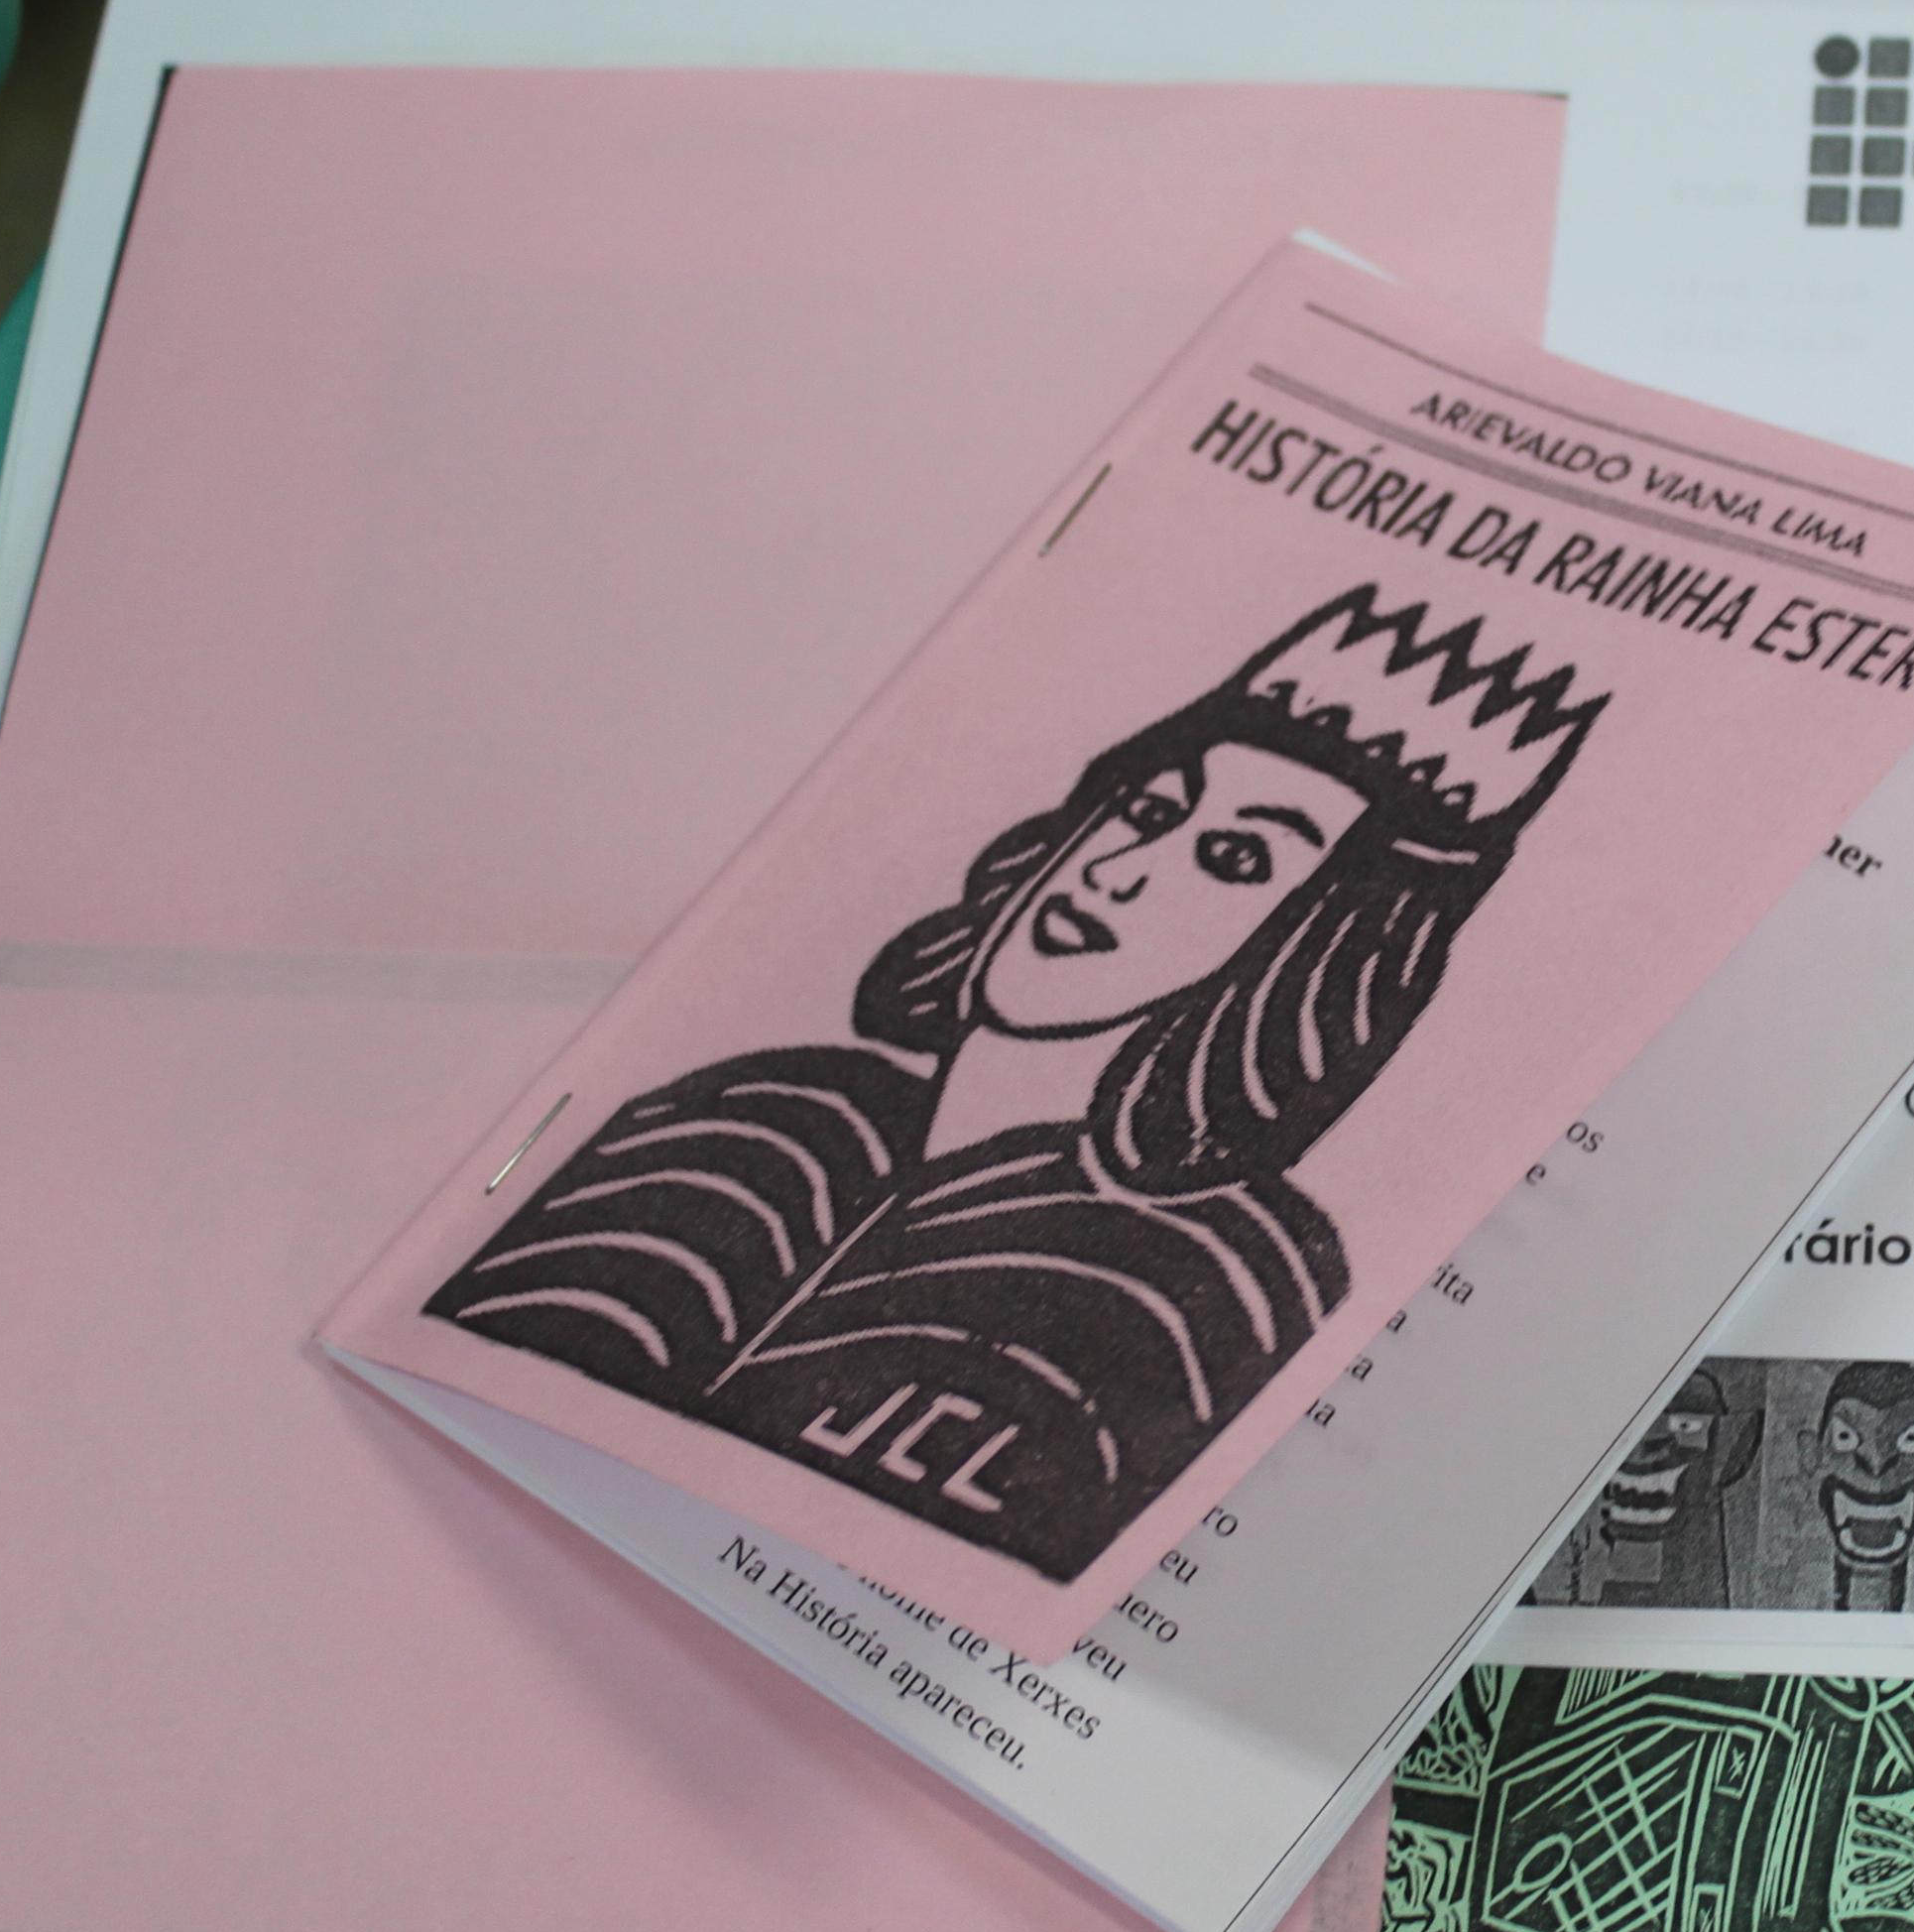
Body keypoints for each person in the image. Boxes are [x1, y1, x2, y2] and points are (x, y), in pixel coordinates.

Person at [434, 584, 1603, 1585]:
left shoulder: (1226, 1283)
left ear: (1312, 955)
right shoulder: (750, 1110)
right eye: (1149, 809)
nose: (1122, 870)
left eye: (1235, 859)